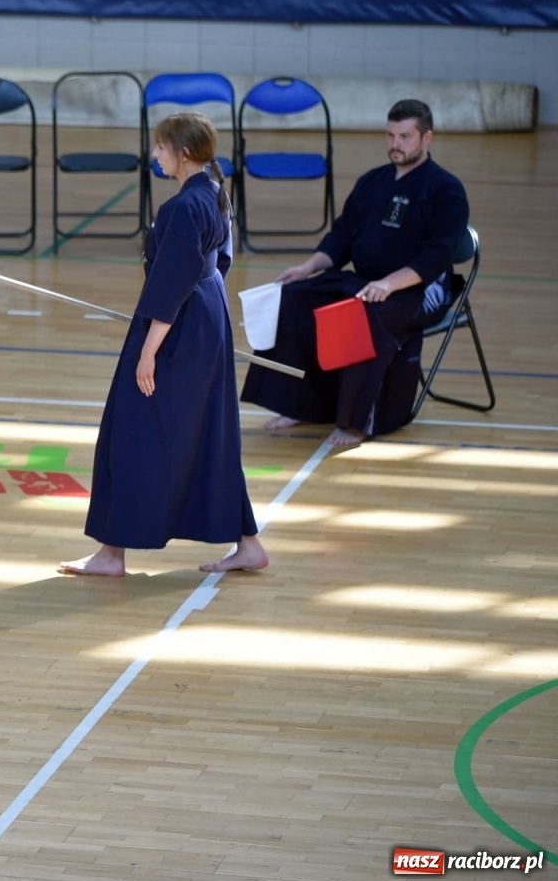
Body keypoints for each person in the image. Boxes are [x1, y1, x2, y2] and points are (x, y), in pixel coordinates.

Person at [61, 113, 266, 577]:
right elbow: (218, 264)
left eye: (160, 147)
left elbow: (171, 285)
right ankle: (247, 543)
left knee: (129, 431)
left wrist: (149, 350)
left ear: (183, 153)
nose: (155, 155)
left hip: (176, 328)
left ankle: (112, 554)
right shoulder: (216, 193)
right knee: (209, 433)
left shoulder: (180, 209)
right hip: (207, 320)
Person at [240, 99, 470, 446]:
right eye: (391, 135)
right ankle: (302, 404)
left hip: (420, 287)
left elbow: (437, 254)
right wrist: (306, 269)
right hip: (368, 282)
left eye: (405, 136)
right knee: (293, 298)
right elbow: (342, 236)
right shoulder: (373, 181)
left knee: (367, 313)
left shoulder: (445, 189)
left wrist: (390, 284)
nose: (396, 144)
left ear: (427, 139)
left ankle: (355, 422)